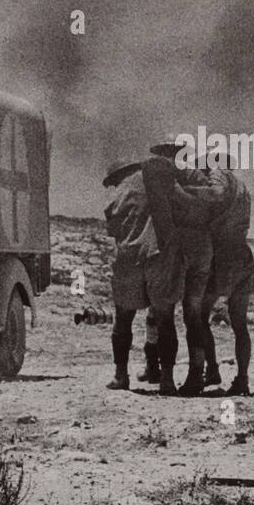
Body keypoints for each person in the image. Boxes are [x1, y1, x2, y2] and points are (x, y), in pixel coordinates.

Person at [102, 157, 178, 395]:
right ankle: (167, 381)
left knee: (123, 319)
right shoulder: (161, 184)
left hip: (130, 258)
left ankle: (121, 376)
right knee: (165, 321)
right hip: (159, 256)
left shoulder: (120, 192)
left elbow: (112, 228)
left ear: (118, 176)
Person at [145, 143, 216, 396]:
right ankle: (196, 375)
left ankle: (166, 379)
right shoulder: (198, 175)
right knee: (194, 315)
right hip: (203, 245)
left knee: (165, 315)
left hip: (178, 245)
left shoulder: (163, 174)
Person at [198, 161, 253, 396]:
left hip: (221, 255)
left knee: (199, 316)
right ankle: (242, 379)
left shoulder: (218, 176)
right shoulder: (242, 186)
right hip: (243, 253)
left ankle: (211, 369)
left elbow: (216, 195)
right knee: (240, 324)